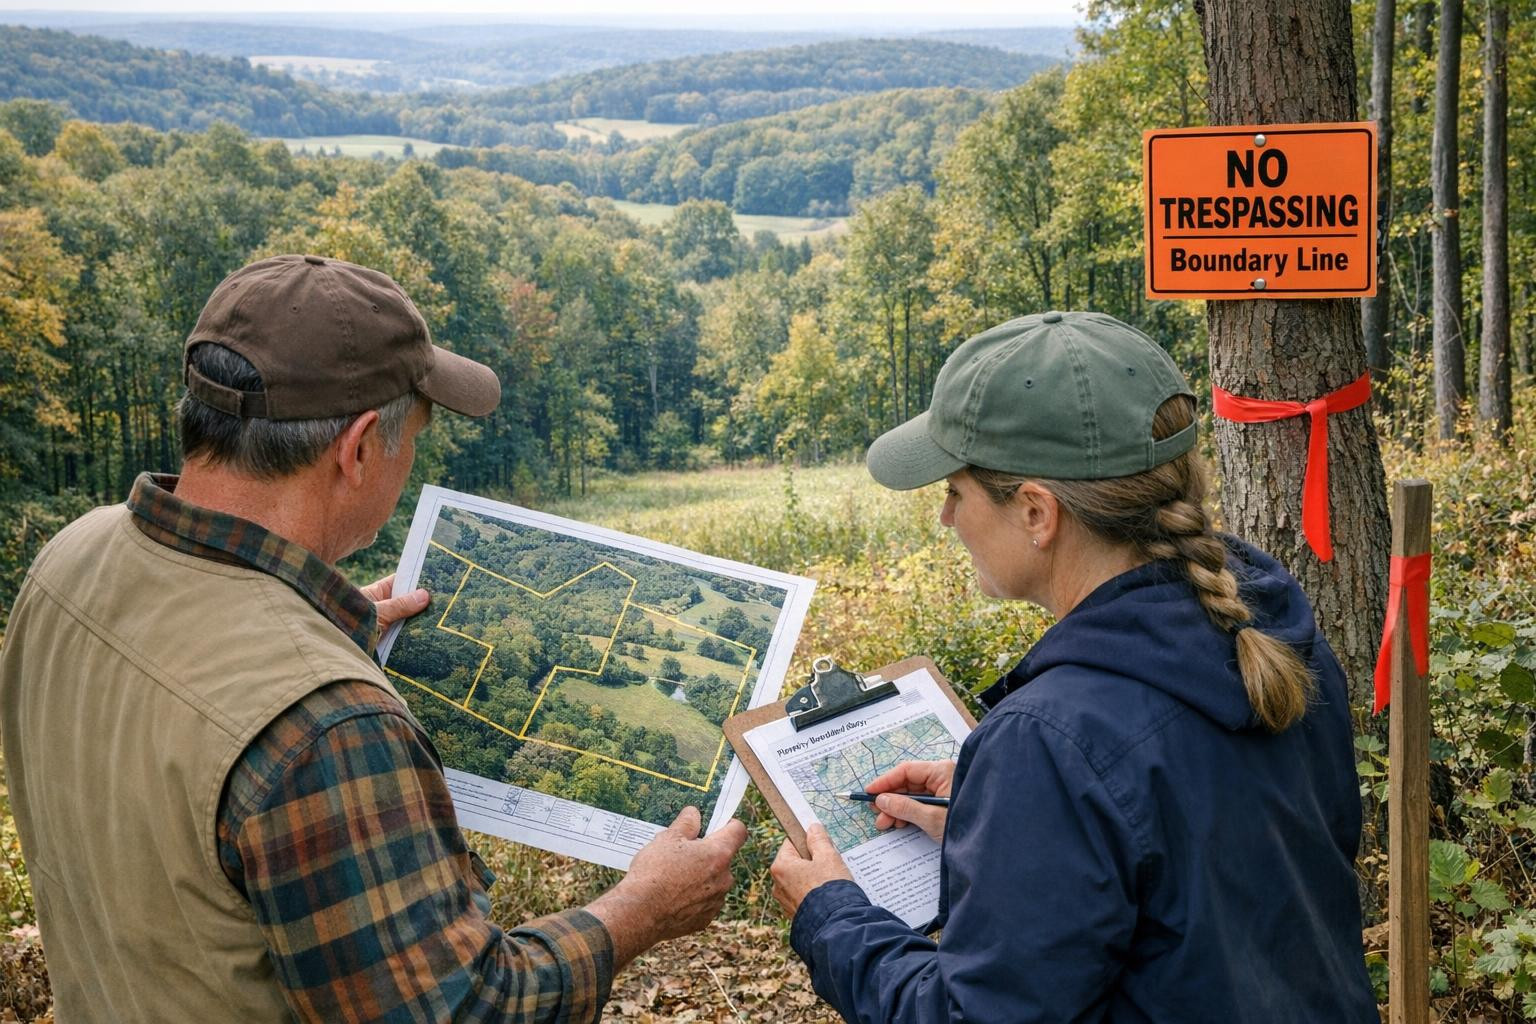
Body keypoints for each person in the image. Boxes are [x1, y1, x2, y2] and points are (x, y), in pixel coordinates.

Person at [0, 254, 747, 1023]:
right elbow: (465, 1012)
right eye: (412, 437)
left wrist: (304, 623)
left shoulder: (70, 560)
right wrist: (639, 911)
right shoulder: (329, 725)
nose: (409, 458)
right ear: (356, 449)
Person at [769, 311, 1378, 1022]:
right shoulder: (1270, 635)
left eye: (955, 492)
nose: (945, 519)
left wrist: (830, 915)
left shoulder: (1052, 742)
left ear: (1036, 512)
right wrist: (1000, 823)